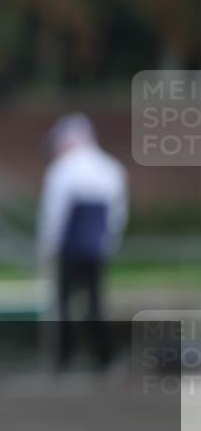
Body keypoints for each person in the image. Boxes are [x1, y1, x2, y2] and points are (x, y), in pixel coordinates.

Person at [37, 113, 128, 369]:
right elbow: (118, 214)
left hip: (69, 247)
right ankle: (104, 358)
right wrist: (109, 243)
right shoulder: (111, 168)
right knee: (96, 302)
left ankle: (64, 358)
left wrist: (47, 247)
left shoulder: (62, 170)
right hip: (97, 248)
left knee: (64, 304)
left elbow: (54, 216)